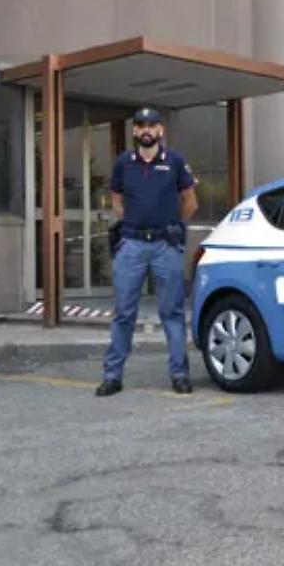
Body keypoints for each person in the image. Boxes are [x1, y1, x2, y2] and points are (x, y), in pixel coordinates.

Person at [96, 107, 199, 397]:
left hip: (166, 246)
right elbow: (117, 200)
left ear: (160, 130)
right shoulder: (123, 163)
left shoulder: (175, 161)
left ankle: (179, 375)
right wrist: (131, 223)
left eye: (151, 125)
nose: (146, 130)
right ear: (134, 131)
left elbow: (191, 202)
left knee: (172, 313)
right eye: (140, 125)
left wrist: (176, 226)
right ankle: (112, 376)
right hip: (132, 245)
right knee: (123, 313)